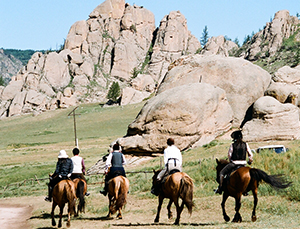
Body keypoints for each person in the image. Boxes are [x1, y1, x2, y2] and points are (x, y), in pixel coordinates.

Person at [215, 130, 253, 194]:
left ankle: (220, 189)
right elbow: (250, 154)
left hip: (234, 163)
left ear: (235, 138)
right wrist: (250, 161)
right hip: (243, 164)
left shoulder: (233, 145)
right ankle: (246, 190)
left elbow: (229, 155)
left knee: (221, 173)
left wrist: (230, 160)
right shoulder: (245, 144)